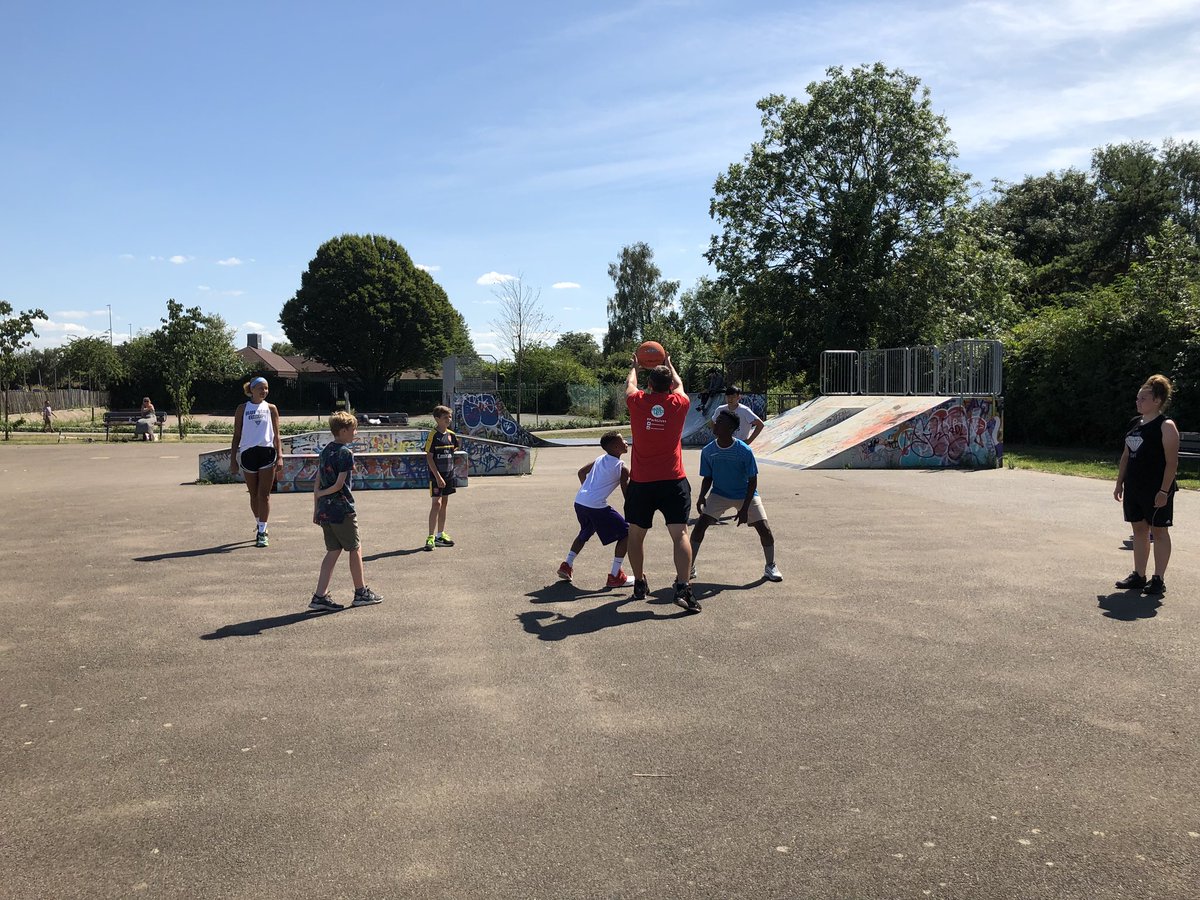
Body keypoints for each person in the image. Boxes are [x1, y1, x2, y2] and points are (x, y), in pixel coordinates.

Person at [624, 351, 699, 611]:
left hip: (642, 482)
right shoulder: (680, 403)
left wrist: (635, 366)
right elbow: (679, 385)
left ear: (649, 385)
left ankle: (639, 583)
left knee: (635, 534)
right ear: (669, 386)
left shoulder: (638, 401)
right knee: (680, 534)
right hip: (672, 481)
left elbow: (630, 384)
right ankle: (682, 587)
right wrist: (670, 365)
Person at [691, 410, 783, 584]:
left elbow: (753, 481)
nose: (715, 424)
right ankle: (689, 567)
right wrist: (701, 496)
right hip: (719, 494)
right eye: (716, 421)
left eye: (720, 422)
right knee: (699, 528)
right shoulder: (708, 451)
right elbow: (708, 477)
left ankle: (770, 566)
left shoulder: (744, 450)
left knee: (764, 529)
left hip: (745, 494)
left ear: (732, 428)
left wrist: (745, 508)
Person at [1113, 374, 1180, 597]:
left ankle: (1158, 579)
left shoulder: (1166, 426)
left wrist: (1163, 491)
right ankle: (1138, 575)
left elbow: (1172, 463)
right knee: (1139, 530)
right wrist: (1119, 483)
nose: (1138, 402)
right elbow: (1126, 455)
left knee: (1159, 532)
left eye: (1143, 398)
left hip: (1157, 488)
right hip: (1134, 487)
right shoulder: (1135, 423)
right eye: (1137, 398)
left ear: (1158, 400)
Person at [309, 411, 382, 611]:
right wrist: (325, 493)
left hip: (326, 510)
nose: (355, 433)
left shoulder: (325, 451)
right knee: (355, 548)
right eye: (353, 429)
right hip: (342, 509)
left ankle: (319, 596)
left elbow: (317, 482)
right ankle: (361, 592)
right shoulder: (345, 453)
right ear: (343, 431)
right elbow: (340, 484)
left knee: (333, 551)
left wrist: (317, 506)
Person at [557, 431, 635, 588]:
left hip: (580, 501)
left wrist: (588, 492)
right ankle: (615, 576)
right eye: (622, 441)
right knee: (627, 533)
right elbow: (626, 491)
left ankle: (567, 564)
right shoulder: (622, 467)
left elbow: (581, 472)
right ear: (614, 446)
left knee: (585, 531)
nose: (626, 442)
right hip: (595, 506)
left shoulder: (600, 459)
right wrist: (633, 508)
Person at [229, 377, 284, 548]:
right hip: (248, 453)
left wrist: (280, 456)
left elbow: (276, 434)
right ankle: (259, 522)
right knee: (253, 495)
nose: (264, 391)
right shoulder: (242, 409)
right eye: (260, 388)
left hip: (267, 452)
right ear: (251, 389)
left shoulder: (271, 408)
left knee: (264, 495)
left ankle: (262, 531)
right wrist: (233, 459)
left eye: (266, 388)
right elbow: (237, 435)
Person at [424, 405, 459, 551]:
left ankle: (440, 534)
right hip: (436, 476)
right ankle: (430, 537)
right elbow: (429, 457)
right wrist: (437, 476)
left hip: (449, 475)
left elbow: (452, 452)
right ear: (437, 419)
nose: (448, 420)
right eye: (445, 418)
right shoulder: (434, 435)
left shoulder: (451, 435)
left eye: (450, 417)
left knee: (444, 503)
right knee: (436, 504)